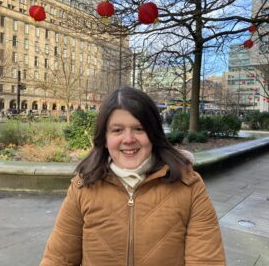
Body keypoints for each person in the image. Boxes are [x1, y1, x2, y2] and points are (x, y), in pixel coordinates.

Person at [39, 86, 226, 266]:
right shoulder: (83, 188)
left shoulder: (189, 186)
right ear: (104, 139)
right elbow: (58, 259)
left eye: (139, 129)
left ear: (153, 133)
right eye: (117, 130)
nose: (128, 139)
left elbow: (206, 260)